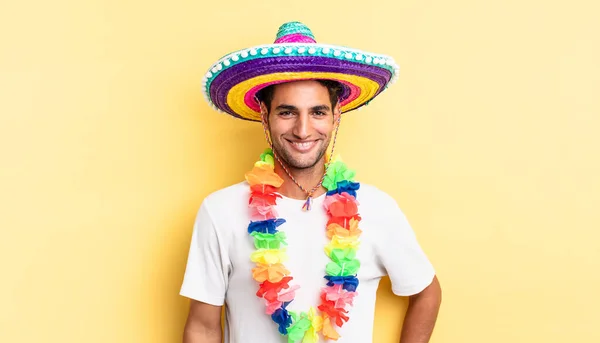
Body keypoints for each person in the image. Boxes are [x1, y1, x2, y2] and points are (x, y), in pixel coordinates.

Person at [180, 21, 441, 343]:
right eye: (287, 112)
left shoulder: (377, 208)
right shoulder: (219, 210)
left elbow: (427, 292)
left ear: (336, 115)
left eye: (317, 112)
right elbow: (203, 326)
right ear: (265, 115)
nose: (303, 130)